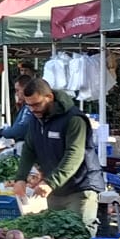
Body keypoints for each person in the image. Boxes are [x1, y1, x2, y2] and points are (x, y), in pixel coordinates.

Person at [17, 78, 98, 226]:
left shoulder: (74, 119)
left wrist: (51, 182)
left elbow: (74, 155)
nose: (33, 109)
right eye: (29, 105)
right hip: (55, 191)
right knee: (55, 235)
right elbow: (29, 149)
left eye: (37, 104)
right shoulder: (36, 118)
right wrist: (20, 178)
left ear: (49, 97)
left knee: (77, 234)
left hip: (79, 188)